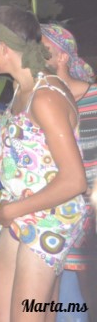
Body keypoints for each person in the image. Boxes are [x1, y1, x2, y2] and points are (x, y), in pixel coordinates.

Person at [0, 6, 87, 321]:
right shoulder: (21, 88)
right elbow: (27, 153)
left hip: (50, 217)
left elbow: (74, 180)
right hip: (22, 209)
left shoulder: (46, 97)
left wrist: (11, 211)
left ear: (4, 48)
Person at [40, 23, 96, 318]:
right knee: (62, 299)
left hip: (92, 213)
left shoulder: (94, 97)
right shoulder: (42, 101)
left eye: (43, 49)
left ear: (63, 57)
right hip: (59, 213)